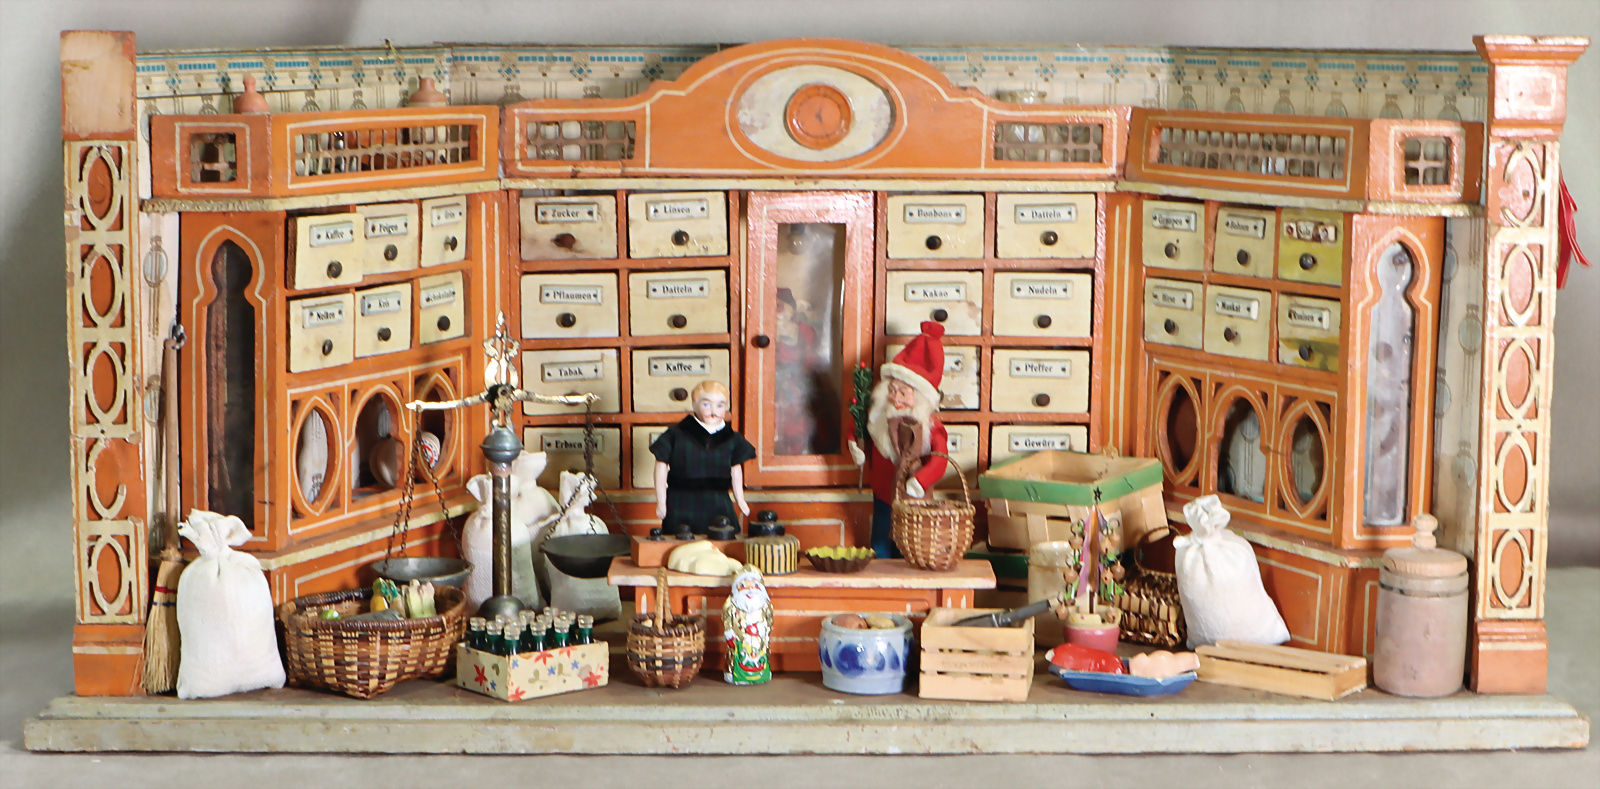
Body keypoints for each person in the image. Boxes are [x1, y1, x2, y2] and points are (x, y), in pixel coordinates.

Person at [848, 321, 949, 558]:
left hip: (914, 499)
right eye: (892, 390)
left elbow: (940, 458)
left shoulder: (931, 427)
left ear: (920, 398)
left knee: (911, 548)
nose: (896, 398)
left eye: (903, 393)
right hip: (883, 494)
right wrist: (854, 444)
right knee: (880, 544)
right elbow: (859, 429)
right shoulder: (879, 417)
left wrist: (921, 481)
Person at [651, 380, 755, 534]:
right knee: (680, 539)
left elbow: (735, 470)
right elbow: (661, 466)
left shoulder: (731, 438)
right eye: (706, 404)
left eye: (720, 405)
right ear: (694, 405)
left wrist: (740, 500)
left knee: (722, 537)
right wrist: (661, 502)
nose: (714, 410)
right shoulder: (676, 435)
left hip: (718, 501)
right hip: (681, 501)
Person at [723, 564, 773, 685]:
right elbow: (727, 620)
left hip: (758, 641)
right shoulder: (731, 604)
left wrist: (761, 630)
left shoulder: (764, 604)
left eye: (755, 585)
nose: (750, 589)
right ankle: (734, 673)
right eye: (743, 585)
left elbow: (769, 621)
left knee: (758, 657)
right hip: (739, 641)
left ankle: (761, 674)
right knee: (738, 656)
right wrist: (730, 634)